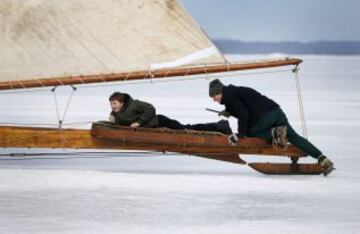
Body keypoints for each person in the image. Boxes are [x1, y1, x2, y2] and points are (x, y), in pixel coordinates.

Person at [208, 79, 335, 176]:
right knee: (294, 137)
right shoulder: (233, 92)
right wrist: (229, 111)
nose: (214, 100)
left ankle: (274, 133)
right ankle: (322, 159)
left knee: (249, 133)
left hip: (265, 117)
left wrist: (239, 134)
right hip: (276, 112)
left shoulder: (229, 95)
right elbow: (243, 106)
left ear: (220, 92)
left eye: (214, 96)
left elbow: (243, 114)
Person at [108, 92, 232, 135]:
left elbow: (150, 109)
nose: (112, 106)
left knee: (187, 130)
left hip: (161, 121)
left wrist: (139, 122)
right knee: (186, 129)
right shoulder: (117, 112)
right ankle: (218, 126)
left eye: (114, 104)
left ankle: (219, 126)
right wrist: (113, 117)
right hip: (154, 127)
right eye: (111, 104)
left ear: (122, 102)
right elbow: (122, 118)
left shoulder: (134, 104)